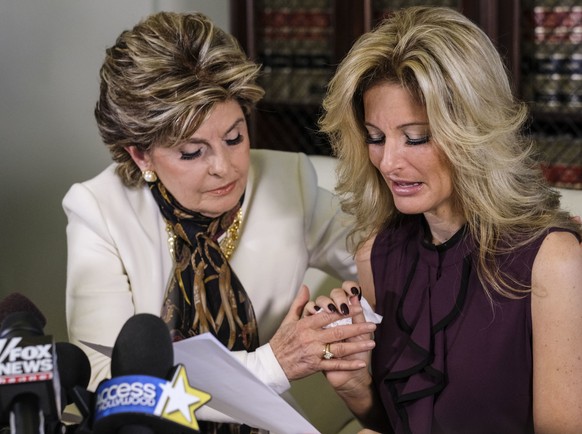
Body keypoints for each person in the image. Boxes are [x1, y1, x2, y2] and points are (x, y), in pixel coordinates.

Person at [62, 11, 377, 432]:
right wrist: (272, 364)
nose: (225, 168)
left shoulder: (290, 184)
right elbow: (111, 384)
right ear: (141, 155)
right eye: (192, 152)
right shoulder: (99, 210)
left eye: (235, 137)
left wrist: (358, 302)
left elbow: (389, 264)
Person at [307, 6, 582, 434]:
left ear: (473, 133)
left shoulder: (552, 260)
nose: (389, 162)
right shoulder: (377, 255)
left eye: (416, 137)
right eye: (375, 138)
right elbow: (393, 419)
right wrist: (354, 383)